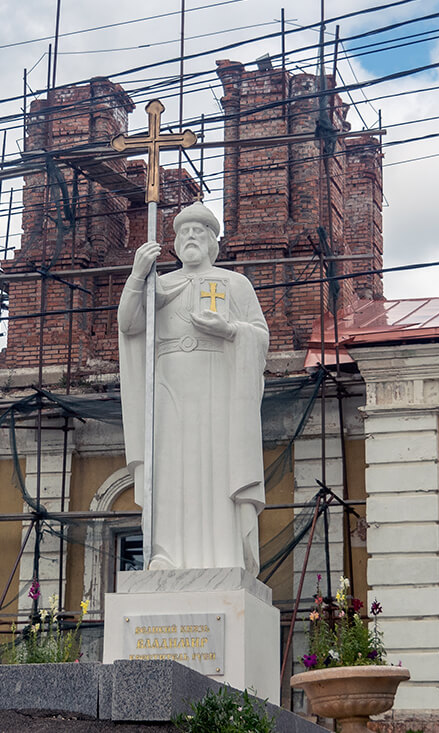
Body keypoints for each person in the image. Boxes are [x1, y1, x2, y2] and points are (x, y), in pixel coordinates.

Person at [118, 201, 269, 573]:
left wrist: (229, 330)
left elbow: (260, 336)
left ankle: (224, 557)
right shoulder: (160, 285)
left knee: (216, 470)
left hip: (217, 386)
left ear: (212, 242)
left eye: (198, 232)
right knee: (169, 472)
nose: (190, 238)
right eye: (183, 232)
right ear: (174, 243)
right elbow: (128, 323)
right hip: (168, 390)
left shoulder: (235, 283)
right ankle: (164, 553)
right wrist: (138, 273)